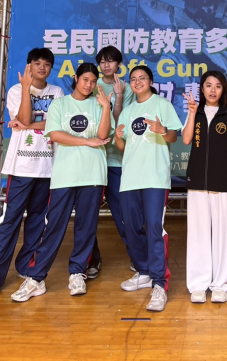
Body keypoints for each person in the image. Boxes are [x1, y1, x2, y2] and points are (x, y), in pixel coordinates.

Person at [10, 63, 112, 302]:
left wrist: (106, 108)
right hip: (65, 174)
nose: (88, 85)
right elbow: (55, 134)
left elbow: (103, 135)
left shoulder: (98, 104)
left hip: (93, 173)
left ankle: (77, 273)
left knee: (86, 227)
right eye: (85, 79)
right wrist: (86, 141)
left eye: (93, 81)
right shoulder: (60, 104)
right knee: (54, 226)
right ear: (76, 78)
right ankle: (36, 277)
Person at [0, 48, 63, 301]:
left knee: (38, 221)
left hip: (48, 168)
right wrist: (27, 89)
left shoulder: (57, 92)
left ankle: (26, 266)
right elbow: (24, 116)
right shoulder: (17, 90)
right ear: (29, 66)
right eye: (37, 63)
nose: (42, 67)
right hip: (21, 167)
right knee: (9, 221)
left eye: (46, 64)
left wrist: (27, 125)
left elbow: (55, 124)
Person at [115, 65, 182, 312]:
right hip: (130, 179)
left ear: (151, 81)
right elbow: (124, 147)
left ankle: (159, 283)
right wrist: (118, 137)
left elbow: (173, 136)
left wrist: (162, 130)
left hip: (155, 178)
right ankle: (143, 271)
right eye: (133, 79)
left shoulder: (162, 105)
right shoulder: (127, 111)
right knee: (131, 227)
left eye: (142, 78)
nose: (137, 82)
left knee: (154, 228)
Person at [182, 71, 227, 304]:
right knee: (197, 235)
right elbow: (186, 139)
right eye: (208, 85)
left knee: (222, 234)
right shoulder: (195, 112)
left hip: (223, 182)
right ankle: (198, 284)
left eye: (218, 86)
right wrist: (191, 114)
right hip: (197, 182)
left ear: (223, 90)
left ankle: (220, 284)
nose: (213, 90)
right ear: (202, 88)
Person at [87, 45, 135, 280]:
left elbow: (120, 125)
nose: (106, 65)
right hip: (93, 159)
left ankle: (137, 255)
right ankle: (91, 259)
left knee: (123, 213)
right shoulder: (91, 84)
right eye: (103, 61)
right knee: (88, 215)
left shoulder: (126, 88)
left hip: (116, 160)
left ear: (119, 64)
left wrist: (118, 96)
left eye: (111, 61)